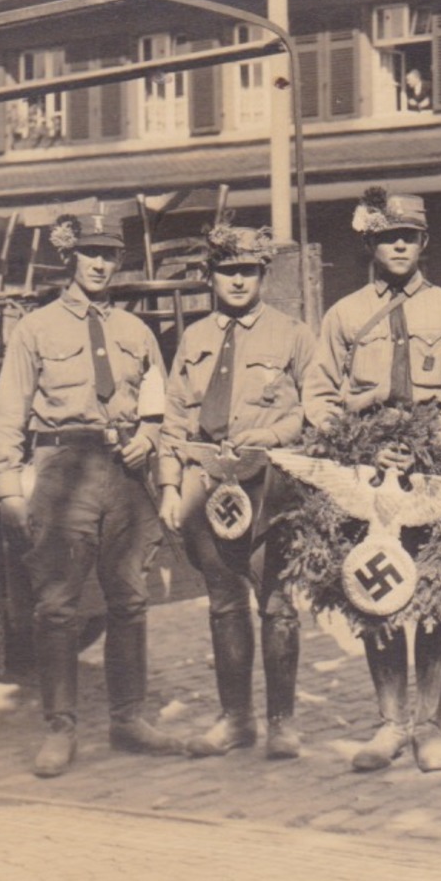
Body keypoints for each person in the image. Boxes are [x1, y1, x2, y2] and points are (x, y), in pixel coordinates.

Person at [0, 212, 184, 778]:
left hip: (123, 472)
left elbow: (158, 406)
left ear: (119, 261)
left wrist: (149, 441)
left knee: (130, 599)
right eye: (90, 253)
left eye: (110, 254)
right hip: (61, 470)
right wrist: (7, 485)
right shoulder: (36, 328)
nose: (100, 263)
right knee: (56, 606)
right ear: (70, 257)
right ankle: (60, 727)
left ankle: (128, 719)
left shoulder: (135, 331)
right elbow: (7, 414)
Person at [302, 188, 441, 772]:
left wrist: (428, 441)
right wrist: (354, 443)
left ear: (425, 243)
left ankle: (430, 726)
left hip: (434, 463)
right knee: (374, 586)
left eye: (409, 235)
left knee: (435, 593)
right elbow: (319, 393)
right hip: (367, 466)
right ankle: (389, 723)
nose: (399, 245)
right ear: (371, 242)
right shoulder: (346, 314)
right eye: (388, 236)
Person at [158, 223, 318, 760]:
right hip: (208, 485)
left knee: (276, 604)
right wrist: (169, 484)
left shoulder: (292, 334)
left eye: (247, 271)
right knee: (224, 604)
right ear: (211, 276)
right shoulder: (195, 338)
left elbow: (315, 411)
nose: (237, 281)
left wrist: (272, 435)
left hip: (270, 485)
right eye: (226, 271)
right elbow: (175, 417)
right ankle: (235, 719)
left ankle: (281, 723)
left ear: (263, 274)